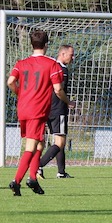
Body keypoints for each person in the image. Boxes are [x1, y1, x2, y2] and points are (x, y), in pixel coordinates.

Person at [6, 30, 59, 196]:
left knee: (39, 144)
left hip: (23, 109)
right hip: (37, 110)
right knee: (30, 146)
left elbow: (10, 81)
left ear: (31, 44)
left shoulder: (21, 63)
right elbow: (58, 89)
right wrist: (68, 101)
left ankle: (34, 179)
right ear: (46, 45)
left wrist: (20, 93)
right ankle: (16, 181)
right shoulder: (51, 64)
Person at [36, 43, 74, 180]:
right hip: (58, 109)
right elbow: (58, 90)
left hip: (45, 107)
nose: (73, 58)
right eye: (71, 55)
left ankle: (61, 172)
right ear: (62, 54)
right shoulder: (61, 70)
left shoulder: (51, 66)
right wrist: (68, 102)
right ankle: (38, 166)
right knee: (60, 142)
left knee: (55, 140)